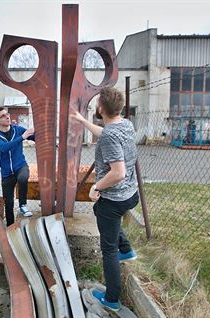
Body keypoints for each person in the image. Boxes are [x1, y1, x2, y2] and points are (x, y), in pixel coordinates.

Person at [72, 87, 139, 312]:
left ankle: (111, 299)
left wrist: (96, 187)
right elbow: (105, 133)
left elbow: (117, 172)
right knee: (100, 214)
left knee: (108, 250)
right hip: (130, 195)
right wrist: (82, 120)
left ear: (101, 108)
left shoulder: (111, 133)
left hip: (113, 199)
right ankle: (127, 249)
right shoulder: (125, 124)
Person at [0, 106, 35, 226]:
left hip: (20, 165)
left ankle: (22, 205)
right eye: (3, 116)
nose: (7, 116)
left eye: (7, 114)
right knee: (8, 204)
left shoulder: (18, 129)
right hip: (6, 173)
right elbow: (4, 148)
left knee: (23, 178)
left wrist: (39, 133)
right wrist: (22, 137)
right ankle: (10, 229)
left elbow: (33, 137)